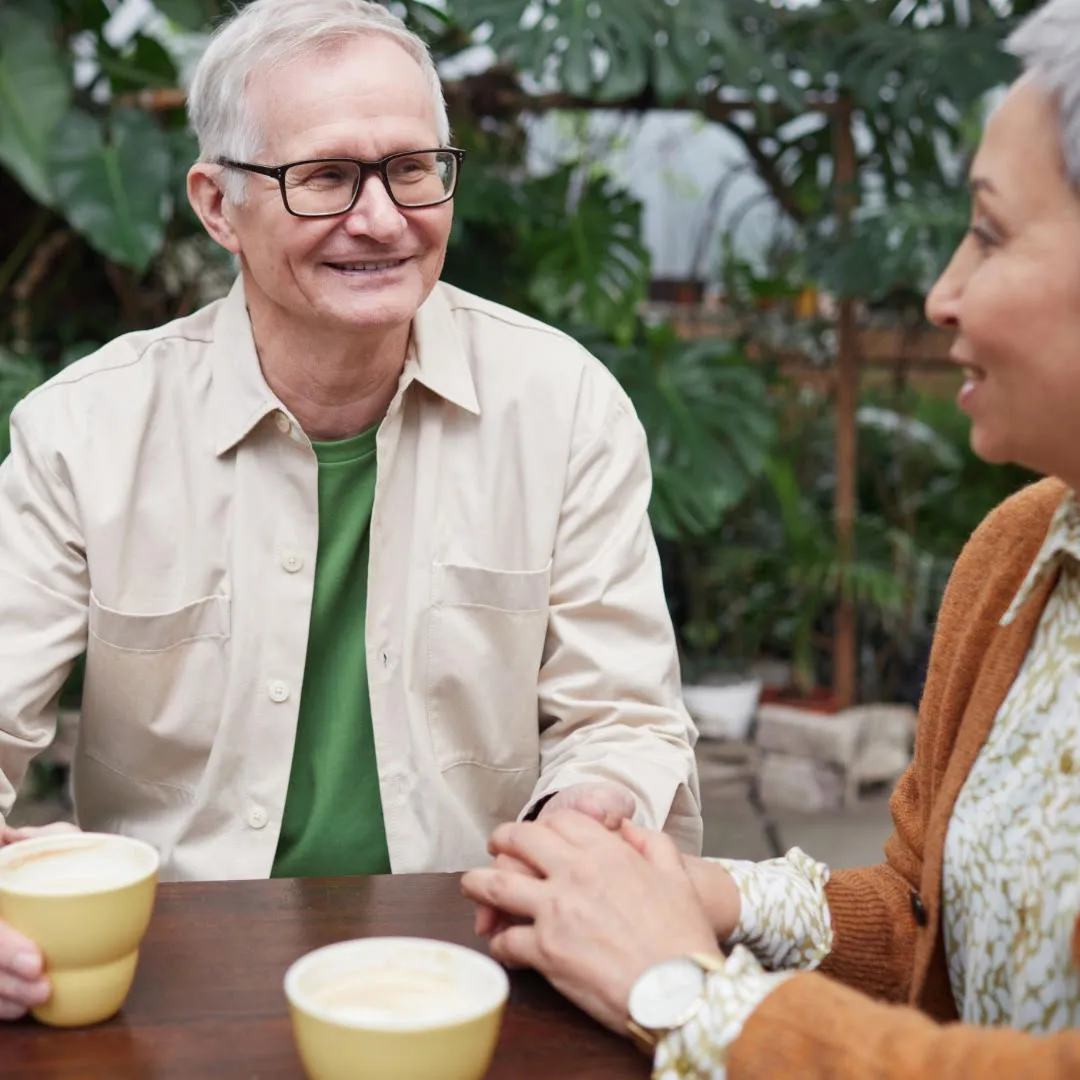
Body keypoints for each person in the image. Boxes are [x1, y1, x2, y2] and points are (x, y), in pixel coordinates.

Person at [0, 0, 701, 1021]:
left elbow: (624, 715)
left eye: (411, 168)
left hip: (479, 957)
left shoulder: (562, 407)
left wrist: (585, 813)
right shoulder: (86, 432)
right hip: (174, 974)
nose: (381, 218)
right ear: (216, 203)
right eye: (325, 177)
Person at [462, 1, 1080, 1075]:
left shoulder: (562, 406)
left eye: (988, 231)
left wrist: (684, 994)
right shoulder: (1021, 560)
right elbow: (921, 916)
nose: (941, 294)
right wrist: (705, 895)